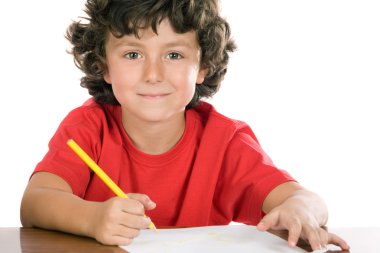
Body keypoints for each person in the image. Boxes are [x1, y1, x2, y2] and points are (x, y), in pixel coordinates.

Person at [20, 0, 349, 251]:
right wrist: (92, 219)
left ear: (203, 65)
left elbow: (305, 200)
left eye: (174, 55)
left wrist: (300, 210)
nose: (153, 74)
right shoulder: (87, 126)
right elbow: (34, 203)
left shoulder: (225, 140)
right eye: (132, 55)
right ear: (103, 65)